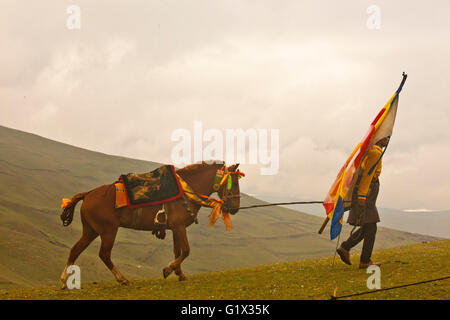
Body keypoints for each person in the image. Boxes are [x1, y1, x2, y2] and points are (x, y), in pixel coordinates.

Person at [336, 136, 389, 269]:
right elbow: (367, 175)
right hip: (366, 195)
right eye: (385, 137)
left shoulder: (372, 151)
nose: (387, 140)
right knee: (371, 227)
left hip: (366, 194)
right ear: (379, 138)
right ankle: (364, 261)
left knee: (368, 227)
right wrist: (362, 196)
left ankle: (346, 248)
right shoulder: (375, 152)